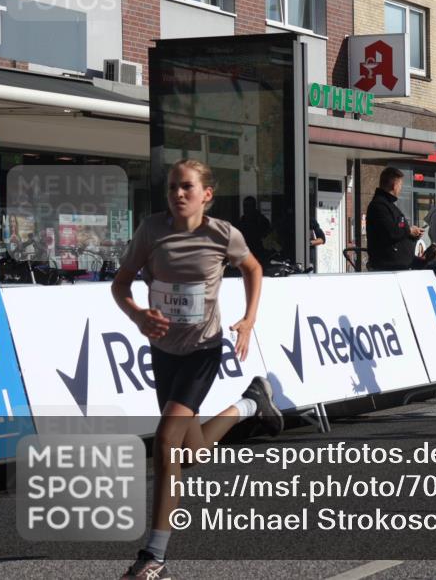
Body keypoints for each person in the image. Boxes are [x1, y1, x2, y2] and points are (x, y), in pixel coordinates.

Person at [112, 160, 281, 580]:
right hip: (163, 350)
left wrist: (248, 319)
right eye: (172, 188)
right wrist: (137, 315)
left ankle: (154, 556)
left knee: (166, 441)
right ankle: (248, 405)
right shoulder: (152, 230)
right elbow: (120, 283)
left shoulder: (222, 234)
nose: (177, 194)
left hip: (204, 349)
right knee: (189, 454)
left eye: (186, 187)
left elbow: (253, 268)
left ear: (207, 194)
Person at [366, 167, 423, 271]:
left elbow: (397, 228)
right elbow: (391, 232)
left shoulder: (388, 205)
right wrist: (409, 230)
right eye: (400, 184)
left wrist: (412, 234)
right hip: (387, 269)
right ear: (394, 185)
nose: (400, 188)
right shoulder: (379, 205)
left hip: (397, 266)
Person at [236, 196, 272, 263]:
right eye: (245, 206)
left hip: (259, 252)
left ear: (253, 206)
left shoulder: (261, 220)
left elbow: (267, 237)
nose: (246, 208)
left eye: (249, 206)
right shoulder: (242, 221)